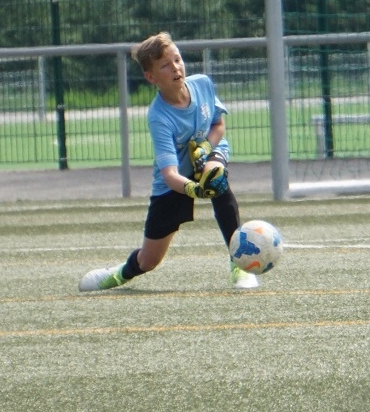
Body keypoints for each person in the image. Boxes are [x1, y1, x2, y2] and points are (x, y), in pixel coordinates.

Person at [78, 31, 259, 291]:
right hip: (175, 183)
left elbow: (218, 125)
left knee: (216, 178)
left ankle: (239, 264)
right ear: (151, 77)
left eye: (177, 59)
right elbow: (170, 174)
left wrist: (206, 147)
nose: (176, 67)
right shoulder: (159, 117)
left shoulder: (203, 84)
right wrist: (194, 190)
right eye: (165, 65)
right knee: (149, 260)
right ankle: (118, 274)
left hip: (210, 154)